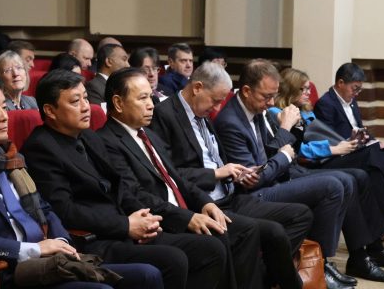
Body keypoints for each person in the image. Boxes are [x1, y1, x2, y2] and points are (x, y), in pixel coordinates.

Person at [0, 71, 163, 289]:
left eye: (4, 107)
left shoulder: (12, 158)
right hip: (10, 269)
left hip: (52, 258)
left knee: (148, 274)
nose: (4, 117)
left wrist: (61, 240)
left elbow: (45, 209)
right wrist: (34, 249)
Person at [99, 67, 311, 289]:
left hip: (208, 199)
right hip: (161, 218)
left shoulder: (146, 133)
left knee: (256, 228)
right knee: (224, 238)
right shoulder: (108, 140)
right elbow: (136, 194)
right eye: (142, 98)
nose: (151, 104)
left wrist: (205, 203)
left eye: (150, 97)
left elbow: (176, 179)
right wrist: (189, 216)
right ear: (118, 103)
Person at [21, 69, 232, 289]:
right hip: (94, 239)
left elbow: (120, 186)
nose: (85, 107)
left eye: (85, 98)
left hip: (123, 225)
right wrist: (126, 225)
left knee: (211, 248)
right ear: (50, 110)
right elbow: (66, 211)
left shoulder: (88, 136)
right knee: (174, 259)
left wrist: (144, 218)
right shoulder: (41, 148)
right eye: (75, 101)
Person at [213, 59, 384, 286]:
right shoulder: (230, 121)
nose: (271, 102)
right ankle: (320, 263)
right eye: (266, 96)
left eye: (273, 96)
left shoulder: (257, 109)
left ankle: (357, 256)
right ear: (247, 91)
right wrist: (284, 143)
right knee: (334, 185)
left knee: (351, 178)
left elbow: (276, 151)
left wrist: (288, 139)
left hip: (281, 174)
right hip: (256, 193)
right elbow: (257, 177)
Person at [273, 67, 384, 259]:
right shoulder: (279, 113)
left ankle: (378, 245)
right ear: (290, 89)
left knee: (376, 167)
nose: (309, 93)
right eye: (304, 89)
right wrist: (334, 148)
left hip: (331, 155)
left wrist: (348, 141)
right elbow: (295, 149)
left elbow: (323, 136)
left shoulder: (307, 112)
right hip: (311, 165)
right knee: (369, 158)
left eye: (309, 88)